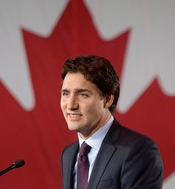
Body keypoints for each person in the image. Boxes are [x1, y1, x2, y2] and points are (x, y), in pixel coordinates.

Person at [60, 55, 163, 189]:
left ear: (108, 99)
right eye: (65, 94)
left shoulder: (138, 150)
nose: (71, 105)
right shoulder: (68, 154)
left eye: (83, 95)